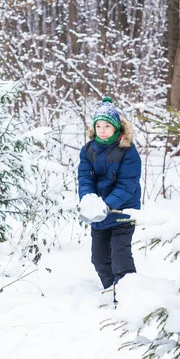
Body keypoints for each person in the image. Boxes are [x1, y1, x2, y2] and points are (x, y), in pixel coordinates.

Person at [77, 96, 142, 293]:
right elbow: (85, 178)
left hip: (122, 212)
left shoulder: (128, 151)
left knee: (120, 257)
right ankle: (111, 290)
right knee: (99, 259)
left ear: (116, 128)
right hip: (98, 215)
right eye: (99, 126)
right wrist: (89, 201)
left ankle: (128, 295)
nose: (102, 130)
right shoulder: (88, 150)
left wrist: (107, 205)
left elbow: (127, 184)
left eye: (107, 126)